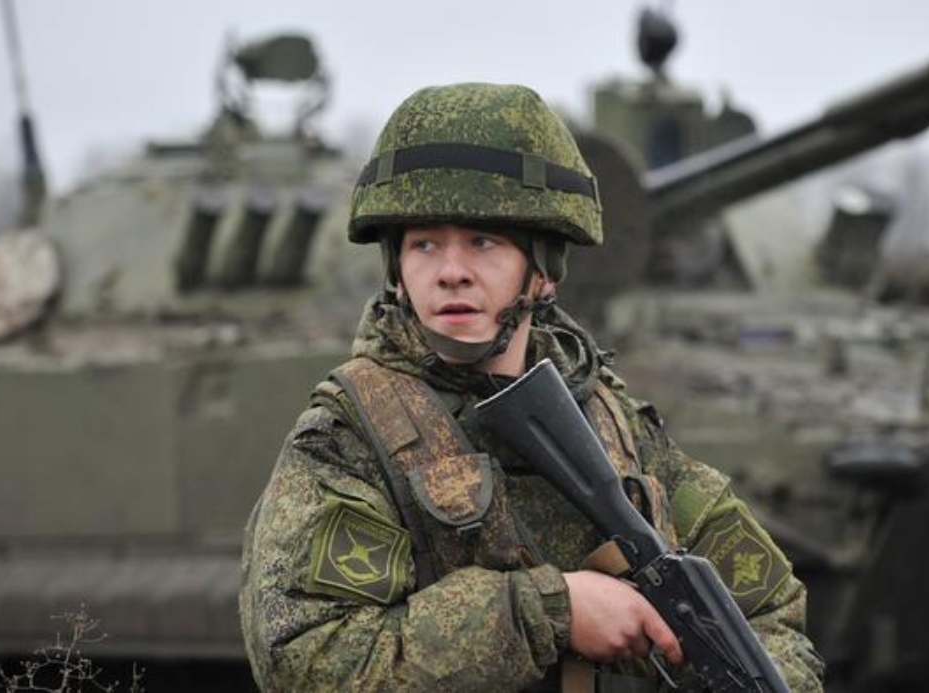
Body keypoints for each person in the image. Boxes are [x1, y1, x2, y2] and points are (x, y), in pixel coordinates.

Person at [239, 82, 824, 692]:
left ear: (542, 271)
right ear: (397, 268)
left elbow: (770, 610)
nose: (451, 271)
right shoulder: (350, 436)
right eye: (424, 245)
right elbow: (310, 658)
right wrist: (553, 611)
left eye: (483, 242)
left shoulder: (610, 420)